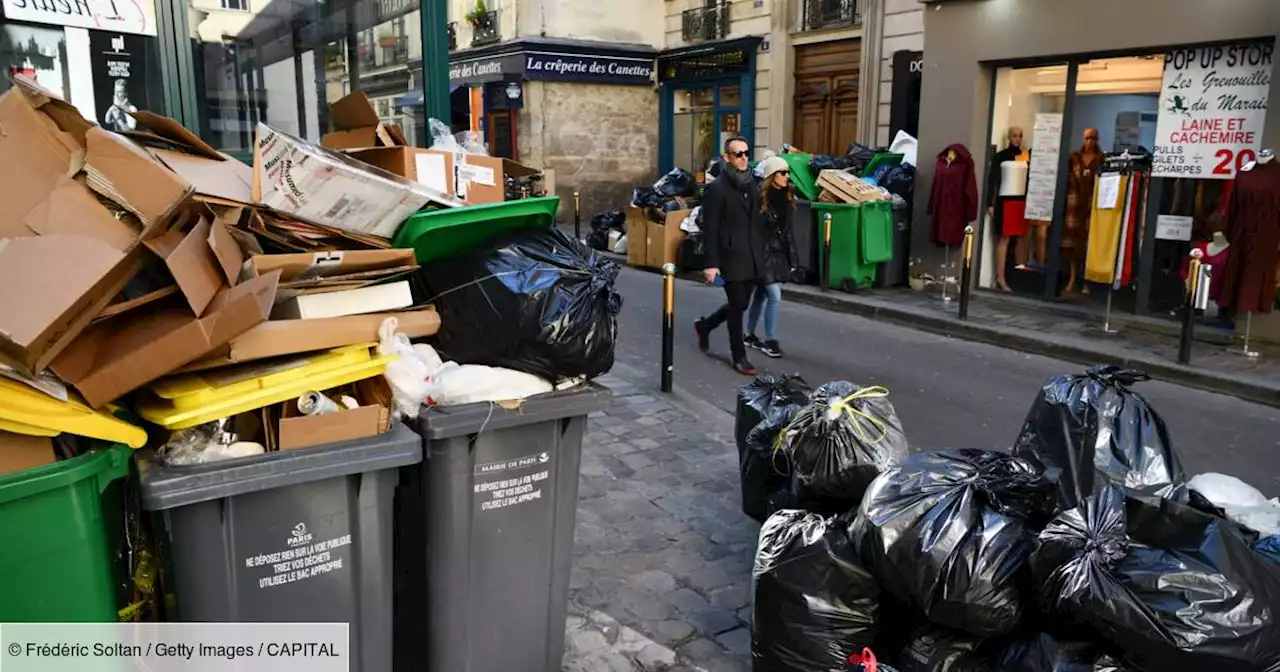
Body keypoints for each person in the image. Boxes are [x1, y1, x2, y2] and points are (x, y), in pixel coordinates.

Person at [694, 136, 767, 375]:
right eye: (738, 154)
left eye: (747, 152)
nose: (744, 157)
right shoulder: (717, 189)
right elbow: (710, 228)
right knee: (737, 306)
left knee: (741, 303)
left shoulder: (754, 184)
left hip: (753, 255)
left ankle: (705, 325)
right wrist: (711, 264)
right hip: (730, 257)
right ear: (727, 158)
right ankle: (739, 357)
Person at [744, 156, 798, 359]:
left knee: (761, 294)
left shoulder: (787, 198)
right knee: (774, 295)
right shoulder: (759, 199)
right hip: (761, 254)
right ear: (771, 176)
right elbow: (753, 231)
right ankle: (770, 341)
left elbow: (789, 233)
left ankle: (748, 334)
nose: (787, 177)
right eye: (782, 173)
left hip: (776, 254)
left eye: (787, 172)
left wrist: (793, 260)